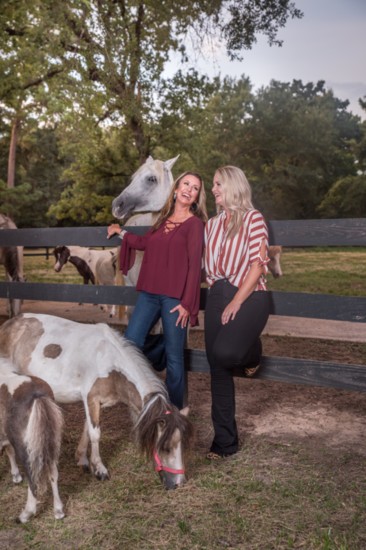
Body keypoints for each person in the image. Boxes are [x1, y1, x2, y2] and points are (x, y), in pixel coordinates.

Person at [107, 171, 207, 410]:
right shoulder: (162, 220)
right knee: (131, 343)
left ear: (196, 197)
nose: (189, 189)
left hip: (175, 299)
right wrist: (120, 232)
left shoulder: (194, 225)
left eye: (194, 188)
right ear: (175, 188)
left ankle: (176, 410)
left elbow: (195, 267)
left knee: (175, 358)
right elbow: (145, 243)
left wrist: (188, 304)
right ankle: (142, 397)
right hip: (150, 294)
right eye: (186, 184)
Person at [204, 165, 271, 459]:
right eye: (213, 185)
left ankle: (253, 352)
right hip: (217, 292)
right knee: (217, 367)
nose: (213, 189)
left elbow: (257, 265)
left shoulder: (253, 219)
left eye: (218, 184)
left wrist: (235, 302)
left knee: (228, 353)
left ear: (233, 185)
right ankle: (225, 443)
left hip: (250, 293)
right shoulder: (211, 225)